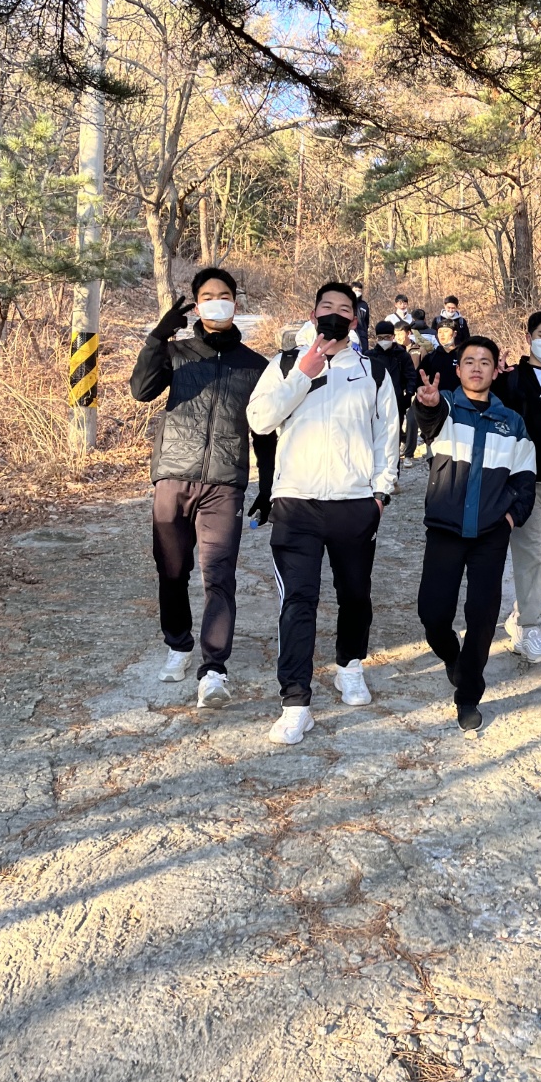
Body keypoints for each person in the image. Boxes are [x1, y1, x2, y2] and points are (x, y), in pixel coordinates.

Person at [246, 281, 399, 745]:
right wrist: (302, 374)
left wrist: (379, 494)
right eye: (326, 307)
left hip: (355, 504)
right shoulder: (285, 364)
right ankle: (295, 702)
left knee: (355, 595)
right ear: (313, 316)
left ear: (354, 319)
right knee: (298, 601)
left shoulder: (373, 371)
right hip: (297, 502)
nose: (335, 314)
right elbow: (260, 420)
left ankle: (349, 666)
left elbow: (387, 436)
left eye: (344, 309)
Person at [130, 267, 275, 709]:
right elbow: (141, 390)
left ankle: (214, 669)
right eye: (208, 296)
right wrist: (158, 337)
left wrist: (268, 486)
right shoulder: (177, 353)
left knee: (220, 576)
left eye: (224, 294)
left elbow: (264, 433)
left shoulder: (255, 366)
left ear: (236, 302)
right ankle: (178, 643)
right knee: (172, 570)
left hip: (224, 484)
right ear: (196, 305)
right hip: (173, 477)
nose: (217, 301)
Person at [412, 337, 536, 731]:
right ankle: (453, 656)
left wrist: (510, 519)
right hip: (445, 529)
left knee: (482, 617)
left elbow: (525, 478)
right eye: (469, 361)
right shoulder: (446, 407)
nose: (477, 367)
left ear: (496, 370)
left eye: (485, 361)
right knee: (433, 614)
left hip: (490, 534)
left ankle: (468, 694)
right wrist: (427, 404)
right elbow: (428, 417)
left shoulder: (512, 422)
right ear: (459, 368)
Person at [492, 309, 541, 663]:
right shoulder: (511, 379)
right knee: (529, 553)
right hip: (523, 480)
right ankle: (529, 627)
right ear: (528, 337)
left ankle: (522, 613)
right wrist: (493, 379)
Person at [371, 320, 418, 473]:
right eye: (380, 338)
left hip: (397, 403)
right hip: (374, 404)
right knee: (374, 438)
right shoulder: (370, 356)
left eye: (387, 337)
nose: (384, 340)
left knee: (394, 438)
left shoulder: (402, 355)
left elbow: (411, 376)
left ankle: (393, 473)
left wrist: (408, 394)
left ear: (393, 337)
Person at [394, 321, 425, 463]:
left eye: (401, 334)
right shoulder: (393, 351)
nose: (398, 337)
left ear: (408, 333)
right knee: (396, 421)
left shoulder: (419, 350)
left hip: (416, 391)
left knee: (412, 420)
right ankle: (403, 441)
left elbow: (425, 370)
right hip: (399, 391)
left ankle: (408, 454)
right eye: (395, 334)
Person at [420, 320, 462, 393]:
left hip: (459, 397)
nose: (442, 335)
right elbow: (418, 377)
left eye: (446, 331)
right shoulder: (431, 357)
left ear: (454, 333)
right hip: (437, 397)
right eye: (439, 332)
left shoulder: (462, 355)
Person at [351, 281, 371, 353]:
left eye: (359, 290)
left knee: (364, 354)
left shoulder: (364, 305)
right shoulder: (347, 303)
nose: (357, 292)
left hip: (362, 334)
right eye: (355, 290)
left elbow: (366, 321)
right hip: (350, 333)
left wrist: (364, 332)